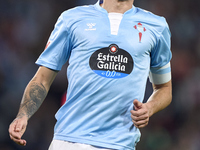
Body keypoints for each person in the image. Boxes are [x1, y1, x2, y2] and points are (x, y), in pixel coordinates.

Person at [9, 0, 172, 149]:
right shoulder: (72, 19)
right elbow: (42, 79)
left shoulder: (156, 26)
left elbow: (164, 88)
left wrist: (149, 108)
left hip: (119, 144)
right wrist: (23, 115)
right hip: (68, 141)